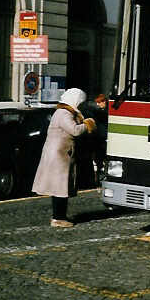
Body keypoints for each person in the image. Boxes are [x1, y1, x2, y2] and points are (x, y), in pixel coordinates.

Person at [32, 88, 96, 227]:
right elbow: (74, 130)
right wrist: (87, 125)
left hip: (60, 154)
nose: (81, 105)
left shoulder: (66, 112)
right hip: (59, 156)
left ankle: (59, 216)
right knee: (60, 187)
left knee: (60, 188)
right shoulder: (63, 113)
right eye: (81, 102)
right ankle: (58, 218)